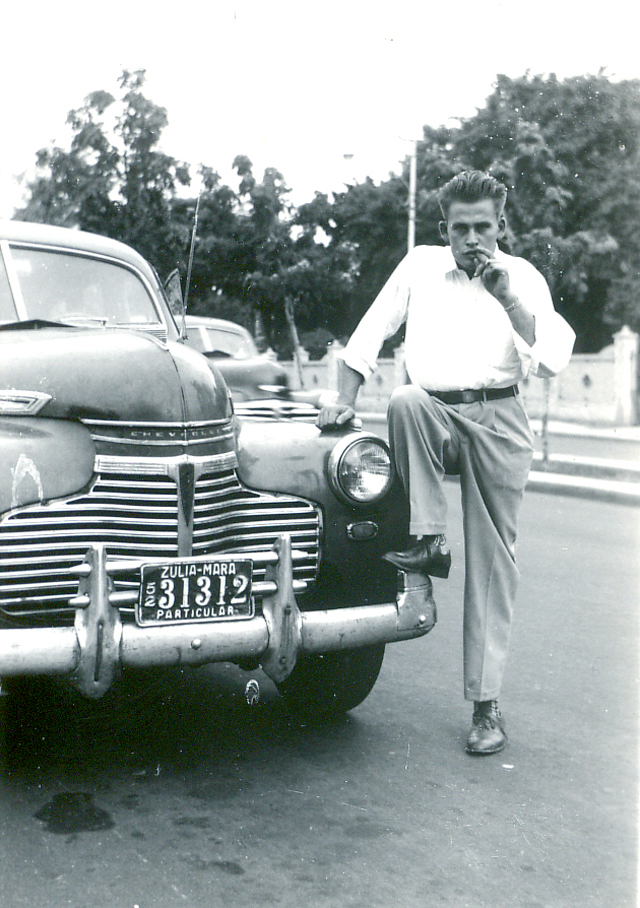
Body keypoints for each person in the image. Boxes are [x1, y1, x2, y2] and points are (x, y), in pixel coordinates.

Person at [318, 170, 575, 755]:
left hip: (500, 417)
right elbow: (370, 332)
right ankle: (430, 539)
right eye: (461, 229)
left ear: (500, 225)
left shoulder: (522, 277)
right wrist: (343, 400)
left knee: (494, 562)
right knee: (406, 399)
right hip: (436, 412)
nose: (473, 239)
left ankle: (486, 706)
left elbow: (555, 357)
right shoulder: (419, 267)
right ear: (444, 229)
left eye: (484, 226)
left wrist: (507, 297)